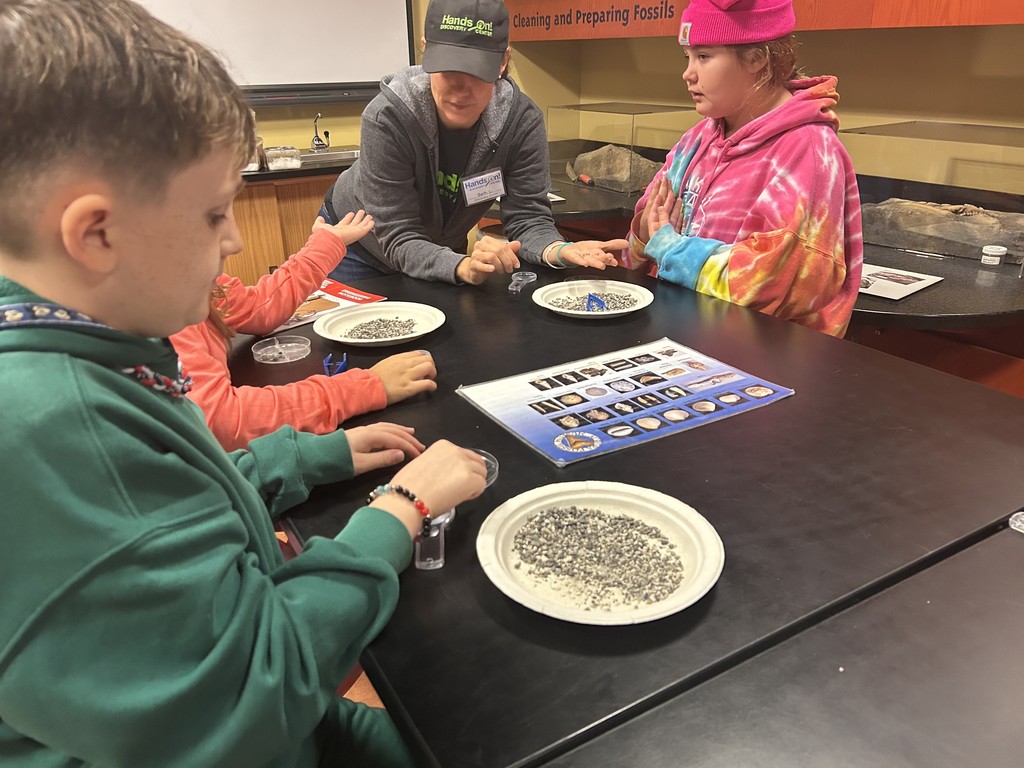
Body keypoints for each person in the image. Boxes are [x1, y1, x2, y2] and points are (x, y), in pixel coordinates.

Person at [0, 2, 486, 766]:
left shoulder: (89, 354)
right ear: (96, 233)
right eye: (215, 214)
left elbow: (173, 500)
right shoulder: (54, 432)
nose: (233, 240)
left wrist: (305, 457)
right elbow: (249, 698)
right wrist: (400, 509)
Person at [321, 0, 628, 285]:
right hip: (357, 247)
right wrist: (459, 266)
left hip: (441, 249)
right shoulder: (388, 116)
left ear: (503, 62)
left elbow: (528, 218)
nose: (460, 89)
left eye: (477, 72)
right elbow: (399, 236)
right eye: (448, 68)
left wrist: (559, 250)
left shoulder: (521, 121)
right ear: (425, 51)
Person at [622, 0, 863, 337]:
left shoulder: (808, 151)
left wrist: (668, 248)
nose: (688, 73)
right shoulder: (697, 139)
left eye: (704, 56)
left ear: (757, 58)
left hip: (758, 363)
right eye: (687, 57)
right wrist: (645, 239)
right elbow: (647, 231)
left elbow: (771, 282)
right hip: (679, 341)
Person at [170, 211, 439, 451]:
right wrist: (364, 388)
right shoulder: (163, 312)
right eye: (212, 215)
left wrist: (324, 244)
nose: (235, 242)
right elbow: (221, 422)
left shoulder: (186, 278)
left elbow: (258, 307)